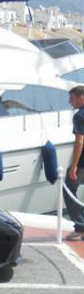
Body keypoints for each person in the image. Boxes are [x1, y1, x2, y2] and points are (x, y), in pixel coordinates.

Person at [65, 85, 84, 240]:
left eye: (71, 98)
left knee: (68, 189)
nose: (70, 102)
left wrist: (74, 166)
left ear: (80, 97)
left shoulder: (79, 116)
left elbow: (79, 141)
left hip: (82, 164)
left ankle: (80, 226)